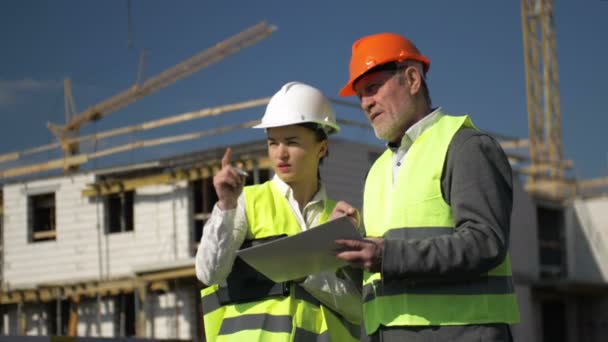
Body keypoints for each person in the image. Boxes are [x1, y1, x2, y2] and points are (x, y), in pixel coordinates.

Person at [332, 33, 520, 341]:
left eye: (373, 88)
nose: (366, 103)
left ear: (412, 79)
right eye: (360, 95)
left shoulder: (465, 145)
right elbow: (382, 266)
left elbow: (485, 242)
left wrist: (387, 255)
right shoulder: (377, 171)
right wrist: (348, 244)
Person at [195, 81, 362, 341]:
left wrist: (308, 275)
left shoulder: (340, 217)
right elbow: (209, 273)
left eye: (292, 142)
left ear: (322, 147)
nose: (281, 154)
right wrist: (225, 206)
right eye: (273, 143)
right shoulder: (245, 202)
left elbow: (360, 308)